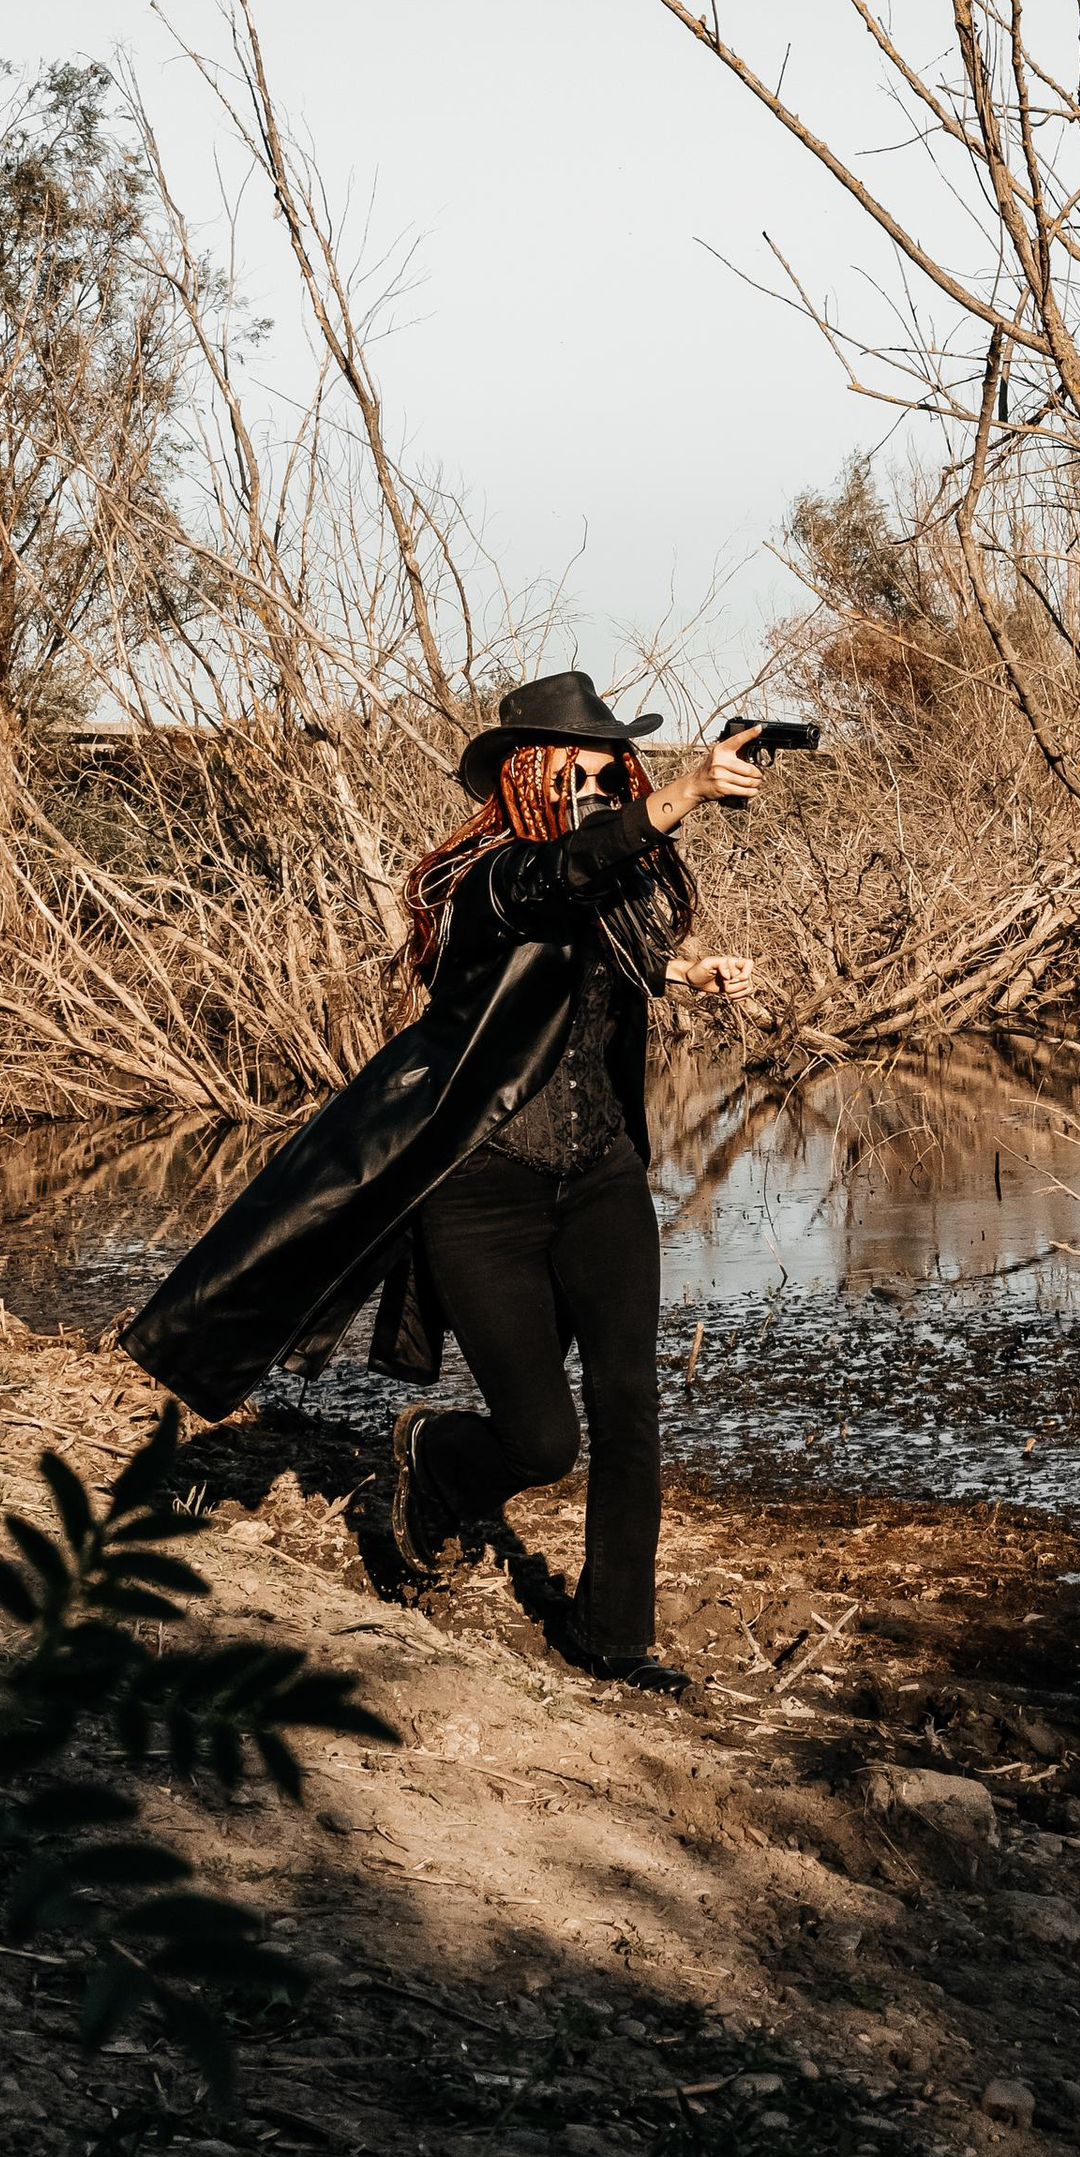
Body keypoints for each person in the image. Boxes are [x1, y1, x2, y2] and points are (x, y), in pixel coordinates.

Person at [119, 671, 759, 1694]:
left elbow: (596, 943)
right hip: (486, 1190)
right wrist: (680, 794)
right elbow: (551, 890)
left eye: (618, 772)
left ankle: (614, 1638)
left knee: (632, 1405)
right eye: (592, 770)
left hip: (601, 1176)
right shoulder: (481, 880)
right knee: (542, 1442)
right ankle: (440, 1458)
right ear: (533, 772)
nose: (608, 786)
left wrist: (686, 972)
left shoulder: (605, 883)